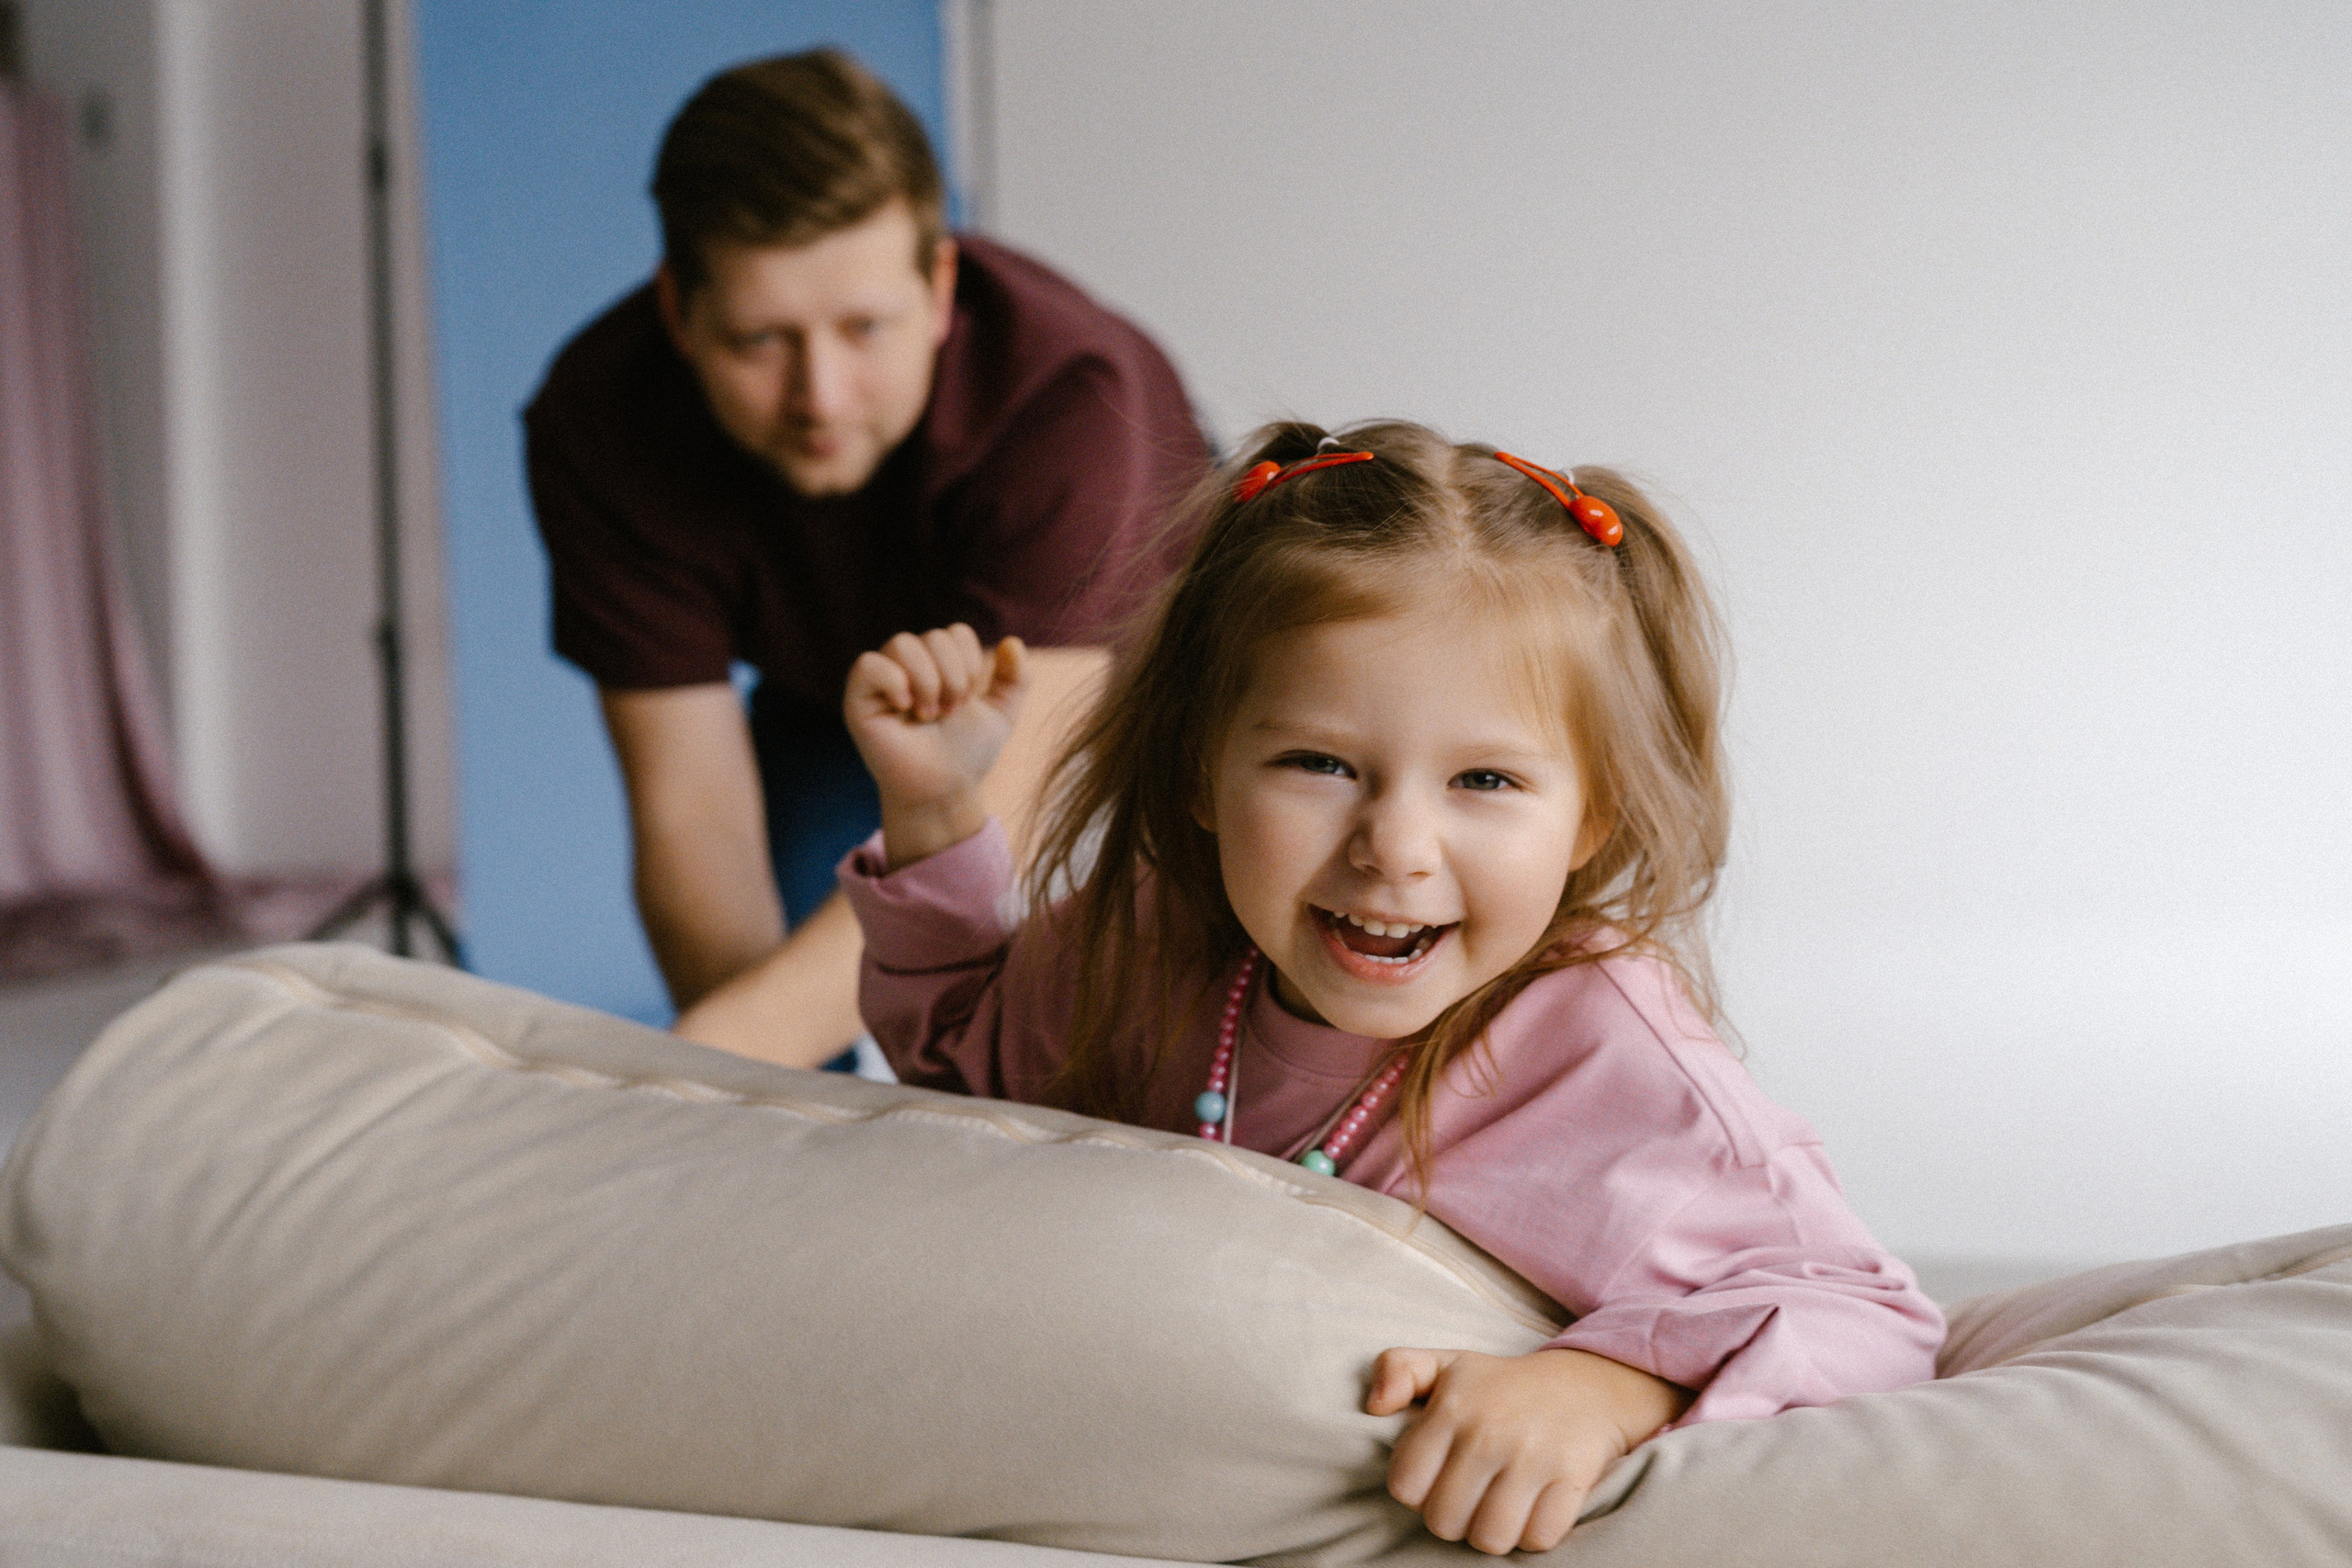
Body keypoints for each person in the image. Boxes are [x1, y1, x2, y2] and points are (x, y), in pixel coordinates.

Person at [833, 422, 1946, 1555]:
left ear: (1589, 819)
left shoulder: (1605, 1056)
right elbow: (965, 1066)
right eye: (1319, 764)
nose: (1396, 845)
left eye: (1485, 779)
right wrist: (933, 816)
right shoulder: (1157, 938)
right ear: (1203, 774)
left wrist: (1606, 1391)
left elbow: (1867, 1317)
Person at [523, 49, 1205, 1066]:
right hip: (843, 686)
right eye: (761, 340)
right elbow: (689, 814)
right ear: (680, 312)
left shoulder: (1070, 400)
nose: (822, 397)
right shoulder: (601, 419)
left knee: (1055, 1025)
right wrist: (738, 1097)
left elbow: (1007, 807)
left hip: (1121, 687)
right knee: (784, 1006)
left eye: (864, 329)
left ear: (938, 289)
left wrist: (691, 1064)